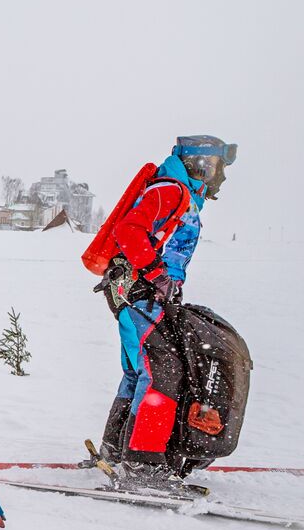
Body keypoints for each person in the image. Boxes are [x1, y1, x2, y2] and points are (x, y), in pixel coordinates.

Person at [98, 135, 235, 490]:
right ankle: (143, 467)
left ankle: (115, 451)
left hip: (145, 294)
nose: (219, 175)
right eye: (217, 166)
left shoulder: (182, 194)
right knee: (161, 372)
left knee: (140, 372)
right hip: (139, 292)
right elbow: (128, 230)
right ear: (200, 163)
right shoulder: (170, 190)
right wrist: (157, 275)